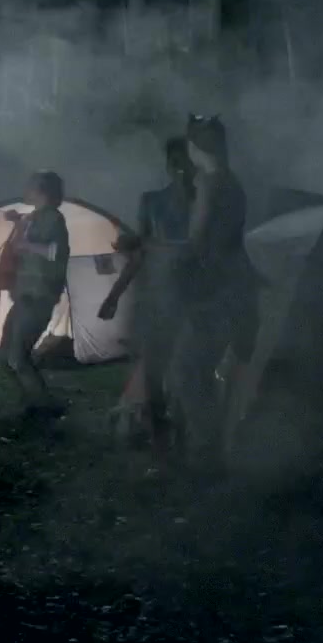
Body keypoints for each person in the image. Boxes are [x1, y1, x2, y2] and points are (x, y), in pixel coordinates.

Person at [169, 115, 261, 463]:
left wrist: (150, 247)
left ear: (194, 147)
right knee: (198, 369)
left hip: (215, 290)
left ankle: (208, 453)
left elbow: (198, 242)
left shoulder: (211, 183)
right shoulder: (232, 182)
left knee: (188, 372)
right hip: (234, 286)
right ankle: (204, 446)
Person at [99, 137, 196, 449]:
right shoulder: (152, 202)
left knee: (186, 370)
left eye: (186, 161)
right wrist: (114, 295)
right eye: (175, 161)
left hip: (195, 297)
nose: (181, 168)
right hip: (158, 295)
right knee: (153, 369)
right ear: (168, 165)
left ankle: (187, 435)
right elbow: (139, 254)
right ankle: (159, 436)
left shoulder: (205, 202)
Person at [0, 172, 71, 417]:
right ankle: (32, 400)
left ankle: (44, 406)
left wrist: (26, 245)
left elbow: (56, 251)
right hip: (25, 294)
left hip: (38, 296)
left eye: (29, 186)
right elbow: (23, 243)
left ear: (42, 191)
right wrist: (17, 223)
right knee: (4, 355)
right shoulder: (35, 217)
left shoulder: (54, 218)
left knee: (17, 357)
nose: (25, 190)